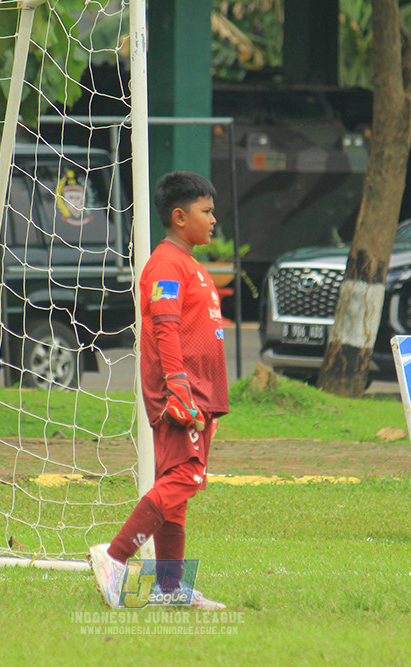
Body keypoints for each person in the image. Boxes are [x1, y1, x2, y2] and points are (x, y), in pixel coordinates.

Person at [89, 171, 229, 610]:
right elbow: (165, 325)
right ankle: (114, 556)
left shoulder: (190, 264)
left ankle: (170, 587)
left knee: (177, 488)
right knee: (185, 478)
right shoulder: (167, 263)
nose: (213, 219)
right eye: (206, 212)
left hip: (199, 392)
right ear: (179, 215)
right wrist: (179, 385)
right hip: (182, 394)